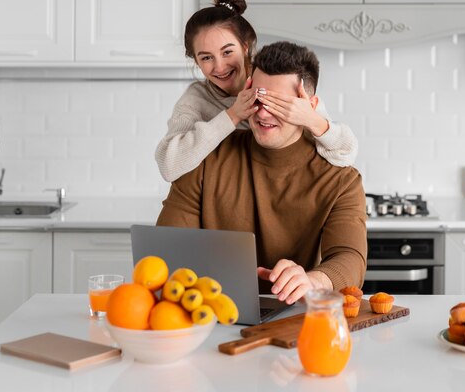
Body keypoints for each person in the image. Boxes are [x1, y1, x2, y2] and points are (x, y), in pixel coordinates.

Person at [156, 41, 367, 305]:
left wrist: (313, 280)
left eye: (279, 103)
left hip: (296, 319)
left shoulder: (341, 179)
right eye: (258, 98)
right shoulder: (204, 157)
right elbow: (167, 248)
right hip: (210, 313)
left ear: (308, 107)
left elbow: (350, 257)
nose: (263, 112)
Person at [155, 0, 358, 183]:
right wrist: (233, 115)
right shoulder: (197, 99)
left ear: (245, 47)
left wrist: (311, 119)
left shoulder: (277, 79)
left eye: (227, 52)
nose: (219, 67)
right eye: (206, 57)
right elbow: (169, 166)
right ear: (196, 60)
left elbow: (346, 153)